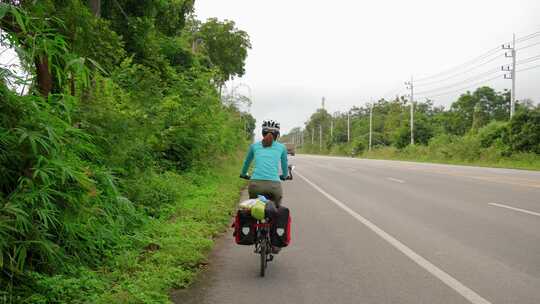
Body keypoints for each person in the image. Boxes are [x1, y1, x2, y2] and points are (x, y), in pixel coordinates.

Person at [240, 120, 289, 207]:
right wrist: (285, 176)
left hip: (255, 185)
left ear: (263, 133)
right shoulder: (282, 147)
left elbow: (247, 163)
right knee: (276, 210)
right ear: (277, 135)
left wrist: (243, 174)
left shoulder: (254, 146)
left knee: (252, 209)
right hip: (274, 187)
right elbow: (284, 165)